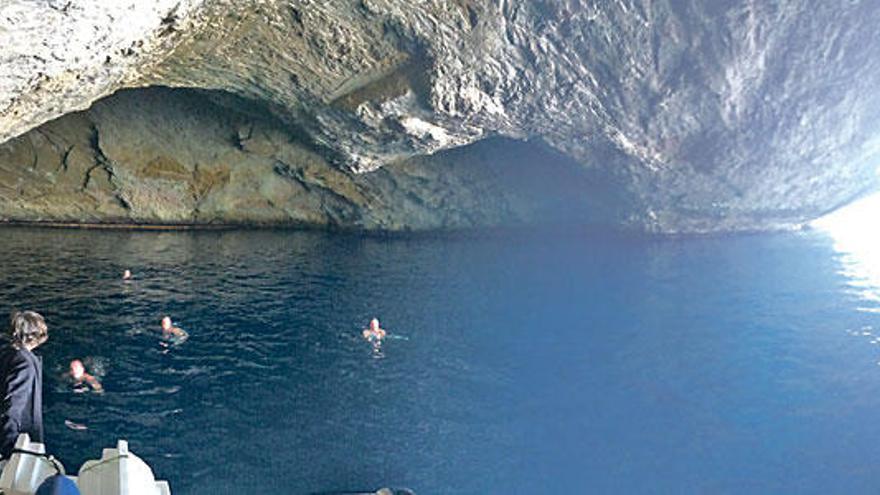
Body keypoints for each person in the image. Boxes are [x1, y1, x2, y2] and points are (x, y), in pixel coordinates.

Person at [0, 311, 48, 459]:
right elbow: (13, 404)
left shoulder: (8, 353)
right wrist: (11, 447)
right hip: (19, 440)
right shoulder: (24, 363)